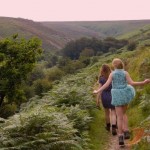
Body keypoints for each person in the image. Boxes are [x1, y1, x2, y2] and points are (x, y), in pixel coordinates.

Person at [93, 58, 150, 146]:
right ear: (121, 65)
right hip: (124, 94)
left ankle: (120, 137)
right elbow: (132, 83)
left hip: (116, 95)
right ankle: (126, 131)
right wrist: (143, 82)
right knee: (124, 114)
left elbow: (106, 85)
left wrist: (97, 91)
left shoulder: (112, 74)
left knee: (119, 117)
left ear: (114, 66)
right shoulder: (125, 73)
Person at [96, 64, 117, 135]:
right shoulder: (113, 75)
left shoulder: (101, 78)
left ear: (102, 70)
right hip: (113, 95)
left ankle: (108, 127)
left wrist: (97, 100)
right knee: (113, 112)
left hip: (104, 96)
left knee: (107, 112)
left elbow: (99, 90)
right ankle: (114, 127)